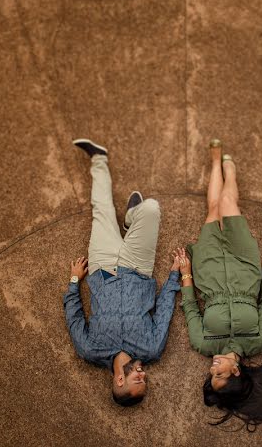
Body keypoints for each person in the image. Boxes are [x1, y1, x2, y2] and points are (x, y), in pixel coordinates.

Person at [177, 139, 262, 430]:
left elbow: (190, 307)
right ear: (236, 371)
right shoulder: (260, 341)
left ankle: (215, 163)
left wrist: (186, 272)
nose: (213, 370)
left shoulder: (201, 343)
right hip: (247, 271)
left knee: (213, 209)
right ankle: (229, 168)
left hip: (208, 271)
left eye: (212, 377)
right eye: (220, 375)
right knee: (228, 205)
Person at [64, 139, 181, 407]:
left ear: (119, 381)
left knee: (102, 211)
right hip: (138, 268)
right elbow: (164, 311)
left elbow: (74, 316)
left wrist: (74, 280)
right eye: (144, 380)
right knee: (151, 208)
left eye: (137, 380)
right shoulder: (151, 349)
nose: (143, 374)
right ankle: (132, 218)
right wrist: (174, 275)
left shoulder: (90, 350)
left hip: (102, 268)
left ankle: (99, 159)